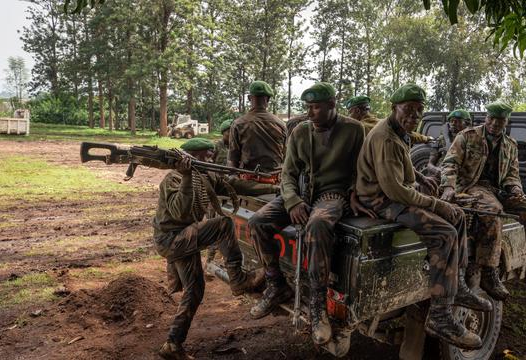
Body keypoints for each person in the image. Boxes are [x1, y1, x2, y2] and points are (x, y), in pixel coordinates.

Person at [355, 84, 491, 350]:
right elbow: (395, 189)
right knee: (444, 233)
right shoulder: (385, 137)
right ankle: (439, 316)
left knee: (459, 216)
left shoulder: (399, 131)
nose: (414, 116)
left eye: (419, 111)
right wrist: (436, 205)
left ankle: (458, 283)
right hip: (381, 200)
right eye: (408, 110)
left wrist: (420, 177)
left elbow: (401, 164)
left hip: (395, 192)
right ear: (395, 108)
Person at [248, 82, 372, 346]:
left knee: (317, 224)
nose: (311, 113)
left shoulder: (353, 129)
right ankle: (275, 284)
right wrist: (292, 201)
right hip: (301, 193)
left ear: (332, 106)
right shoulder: (300, 132)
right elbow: (288, 173)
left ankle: (318, 307)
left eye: (316, 107)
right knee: (258, 221)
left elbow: (360, 169)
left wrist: (353, 192)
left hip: (333, 194)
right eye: (308, 107)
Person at [440, 101, 526, 300]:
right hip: (472, 187)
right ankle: (489, 272)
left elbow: (512, 175)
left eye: (500, 120)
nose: (495, 124)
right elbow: (449, 164)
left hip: (500, 190)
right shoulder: (467, 136)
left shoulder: (510, 145)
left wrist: (515, 188)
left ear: (506, 122)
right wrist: (448, 186)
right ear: (486, 118)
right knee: (493, 210)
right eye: (492, 119)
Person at [153, 138, 264, 360]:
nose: (212, 158)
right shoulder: (174, 178)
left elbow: (234, 186)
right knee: (223, 224)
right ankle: (238, 279)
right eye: (207, 155)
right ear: (192, 156)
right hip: (172, 239)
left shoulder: (204, 175)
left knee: (195, 290)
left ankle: (172, 344)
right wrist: (186, 176)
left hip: (184, 237)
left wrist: (273, 186)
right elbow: (180, 213)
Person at [228, 80, 286, 178]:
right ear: (268, 99)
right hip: (275, 179)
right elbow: (286, 155)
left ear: (250, 98)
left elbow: (233, 159)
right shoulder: (280, 124)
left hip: (248, 180)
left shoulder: (238, 124)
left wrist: (233, 179)